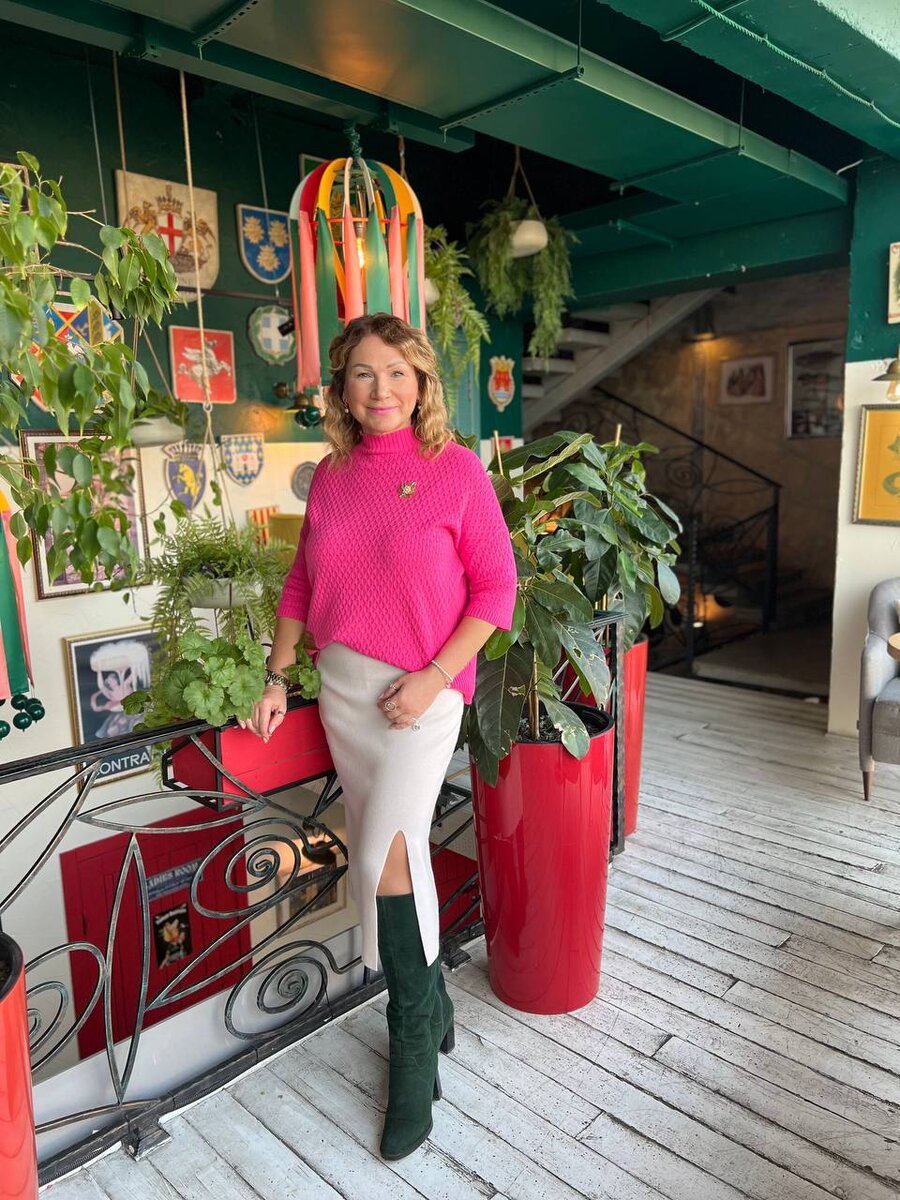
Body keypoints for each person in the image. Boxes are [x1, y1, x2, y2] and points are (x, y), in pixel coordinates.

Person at [242, 312, 517, 1160]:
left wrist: (434, 677)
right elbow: (302, 580)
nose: (382, 388)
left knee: (378, 859)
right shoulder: (331, 475)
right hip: (344, 695)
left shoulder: (455, 469)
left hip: (420, 697)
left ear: (422, 382)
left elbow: (496, 589)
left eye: (398, 372)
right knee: (393, 858)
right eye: (363, 373)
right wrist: (276, 674)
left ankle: (412, 1044)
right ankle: (434, 1005)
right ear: (342, 389)